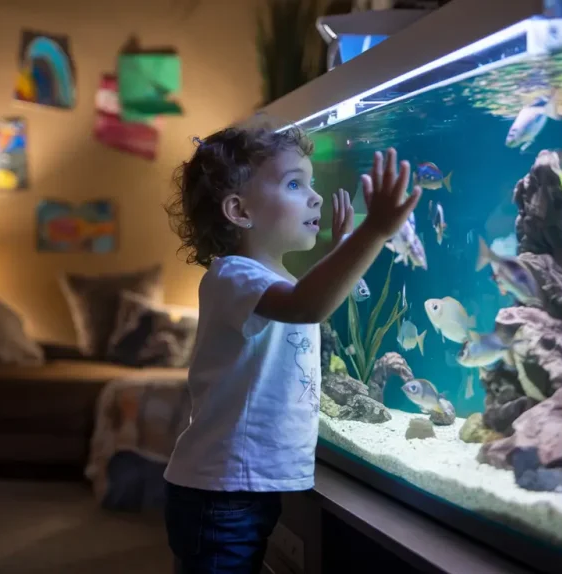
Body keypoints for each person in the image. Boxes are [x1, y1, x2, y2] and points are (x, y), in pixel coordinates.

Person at [162, 124, 421, 574]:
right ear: (239, 210)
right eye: (295, 184)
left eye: (313, 182)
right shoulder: (233, 277)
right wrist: (374, 231)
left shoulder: (274, 282)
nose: (316, 197)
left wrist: (340, 250)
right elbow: (308, 307)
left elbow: (309, 300)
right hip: (222, 493)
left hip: (243, 489)